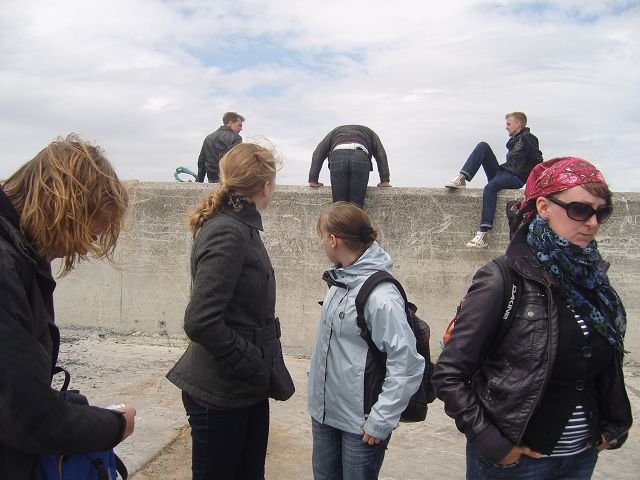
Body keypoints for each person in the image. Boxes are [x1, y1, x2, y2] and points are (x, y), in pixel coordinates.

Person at [433, 157, 631, 479]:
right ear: (543, 207)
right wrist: (492, 442)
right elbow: (449, 374)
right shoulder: (503, 278)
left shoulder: (592, 279)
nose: (593, 222)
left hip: (580, 458)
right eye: (579, 209)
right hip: (515, 464)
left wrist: (615, 425)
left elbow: (602, 365)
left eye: (601, 212)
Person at [0, 135, 136, 478]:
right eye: (87, 235)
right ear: (63, 207)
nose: (82, 248)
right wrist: (115, 426)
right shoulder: (7, 265)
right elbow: (28, 417)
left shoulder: (24, 253)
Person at [167, 143, 293, 480]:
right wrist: (250, 360)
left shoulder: (241, 224)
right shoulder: (228, 230)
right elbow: (200, 320)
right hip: (220, 391)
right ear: (266, 185)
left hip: (245, 386)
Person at [308, 201, 425, 480]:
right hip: (325, 415)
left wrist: (381, 419)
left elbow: (406, 362)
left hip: (360, 426)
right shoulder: (340, 281)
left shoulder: (380, 296)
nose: (322, 244)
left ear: (333, 240)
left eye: (322, 237)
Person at [445, 112, 543, 248]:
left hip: (515, 177)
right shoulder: (515, 140)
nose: (506, 127)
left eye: (509, 124)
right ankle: (462, 177)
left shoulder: (528, 138)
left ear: (518, 124)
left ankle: (483, 234)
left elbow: (538, 160)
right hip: (503, 173)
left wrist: (536, 183)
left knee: (490, 187)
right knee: (483, 146)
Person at [308, 125, 391, 208]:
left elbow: (318, 153)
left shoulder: (335, 132)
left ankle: (339, 214)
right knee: (356, 206)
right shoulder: (370, 132)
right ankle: (355, 213)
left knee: (339, 206)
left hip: (338, 156)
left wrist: (313, 179)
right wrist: (384, 180)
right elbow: (381, 154)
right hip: (360, 157)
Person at [196, 111, 245, 183]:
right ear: (230, 123)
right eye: (239, 125)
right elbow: (236, 161)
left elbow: (201, 162)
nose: (241, 128)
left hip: (212, 180)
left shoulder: (209, 138)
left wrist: (199, 181)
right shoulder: (236, 138)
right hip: (229, 180)